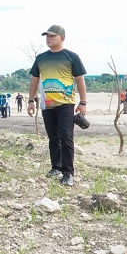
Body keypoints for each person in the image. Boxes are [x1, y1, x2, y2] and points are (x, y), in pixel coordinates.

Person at [27, 25, 87, 186]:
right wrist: (31, 100)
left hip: (66, 104)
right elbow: (34, 80)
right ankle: (56, 167)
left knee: (66, 137)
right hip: (47, 104)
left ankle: (68, 172)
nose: (48, 38)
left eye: (52, 36)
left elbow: (80, 80)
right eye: (47, 36)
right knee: (53, 138)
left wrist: (82, 102)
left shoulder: (71, 57)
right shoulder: (41, 58)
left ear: (62, 38)